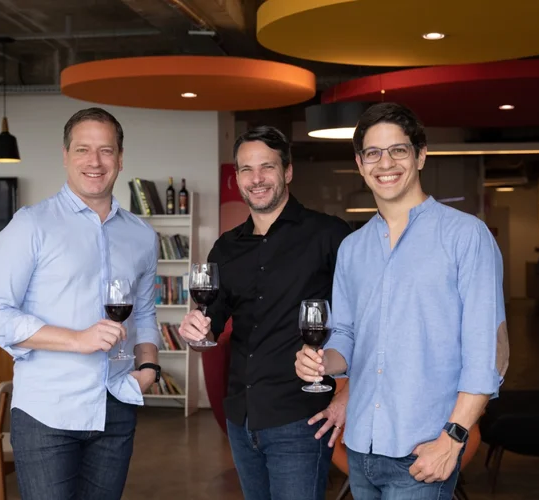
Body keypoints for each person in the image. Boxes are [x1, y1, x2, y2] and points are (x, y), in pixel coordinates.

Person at [295, 102, 510, 499]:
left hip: (423, 448)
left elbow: (487, 353)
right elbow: (344, 332)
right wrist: (325, 361)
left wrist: (454, 438)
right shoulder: (352, 248)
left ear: (421, 154)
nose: (385, 163)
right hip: (361, 446)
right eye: (373, 153)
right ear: (360, 164)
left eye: (398, 150)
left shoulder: (466, 236)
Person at [0, 107, 161, 500]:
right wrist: (77, 339)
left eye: (106, 150)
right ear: (65, 156)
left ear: (121, 158)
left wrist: (149, 366)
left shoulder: (142, 235)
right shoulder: (30, 225)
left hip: (116, 403)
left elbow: (144, 312)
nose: (94, 162)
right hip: (47, 412)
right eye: (82, 149)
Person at [178, 125, 353, 500]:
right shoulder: (225, 249)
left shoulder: (329, 235)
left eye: (267, 167)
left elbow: (366, 322)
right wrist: (196, 335)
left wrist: (346, 394)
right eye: (246, 169)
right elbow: (210, 330)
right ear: (237, 177)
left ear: (287, 171)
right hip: (241, 418)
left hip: (301, 418)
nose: (256, 179)